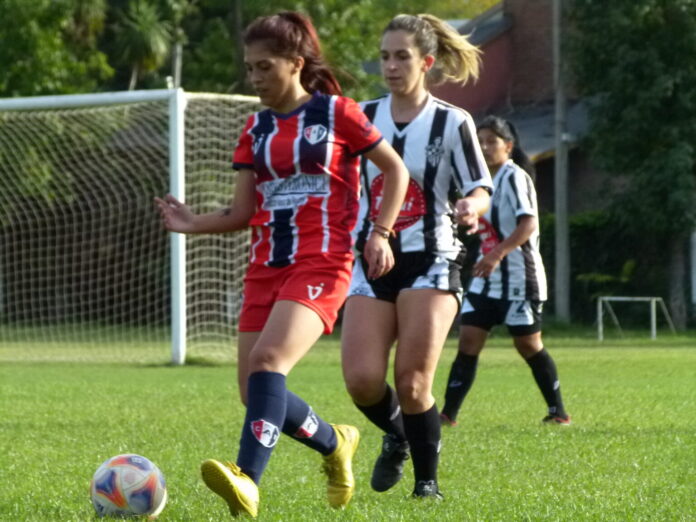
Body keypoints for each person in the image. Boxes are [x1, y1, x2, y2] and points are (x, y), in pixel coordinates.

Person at [155, 11, 409, 518]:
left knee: (269, 363)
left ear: (295, 63)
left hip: (323, 263)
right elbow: (242, 212)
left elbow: (396, 171)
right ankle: (335, 442)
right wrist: (192, 222)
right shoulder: (255, 128)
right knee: (253, 391)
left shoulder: (337, 113)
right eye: (249, 68)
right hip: (265, 267)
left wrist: (381, 233)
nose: (254, 78)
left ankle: (248, 479)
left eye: (264, 67)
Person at [340, 14, 493, 500]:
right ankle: (399, 435)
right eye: (385, 56)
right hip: (372, 259)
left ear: (426, 62)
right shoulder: (361, 116)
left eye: (402, 56)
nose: (391, 66)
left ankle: (427, 486)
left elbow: (480, 186)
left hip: (434, 257)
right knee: (362, 381)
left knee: (411, 383)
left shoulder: (453, 121)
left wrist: (472, 206)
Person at [440, 115, 571, 427]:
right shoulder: (478, 183)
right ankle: (447, 415)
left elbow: (529, 224)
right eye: (480, 142)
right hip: (486, 278)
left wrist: (497, 253)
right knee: (468, 341)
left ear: (508, 147)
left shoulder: (515, 177)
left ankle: (558, 412)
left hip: (519, 277)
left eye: (492, 141)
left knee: (528, 345)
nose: (485, 147)